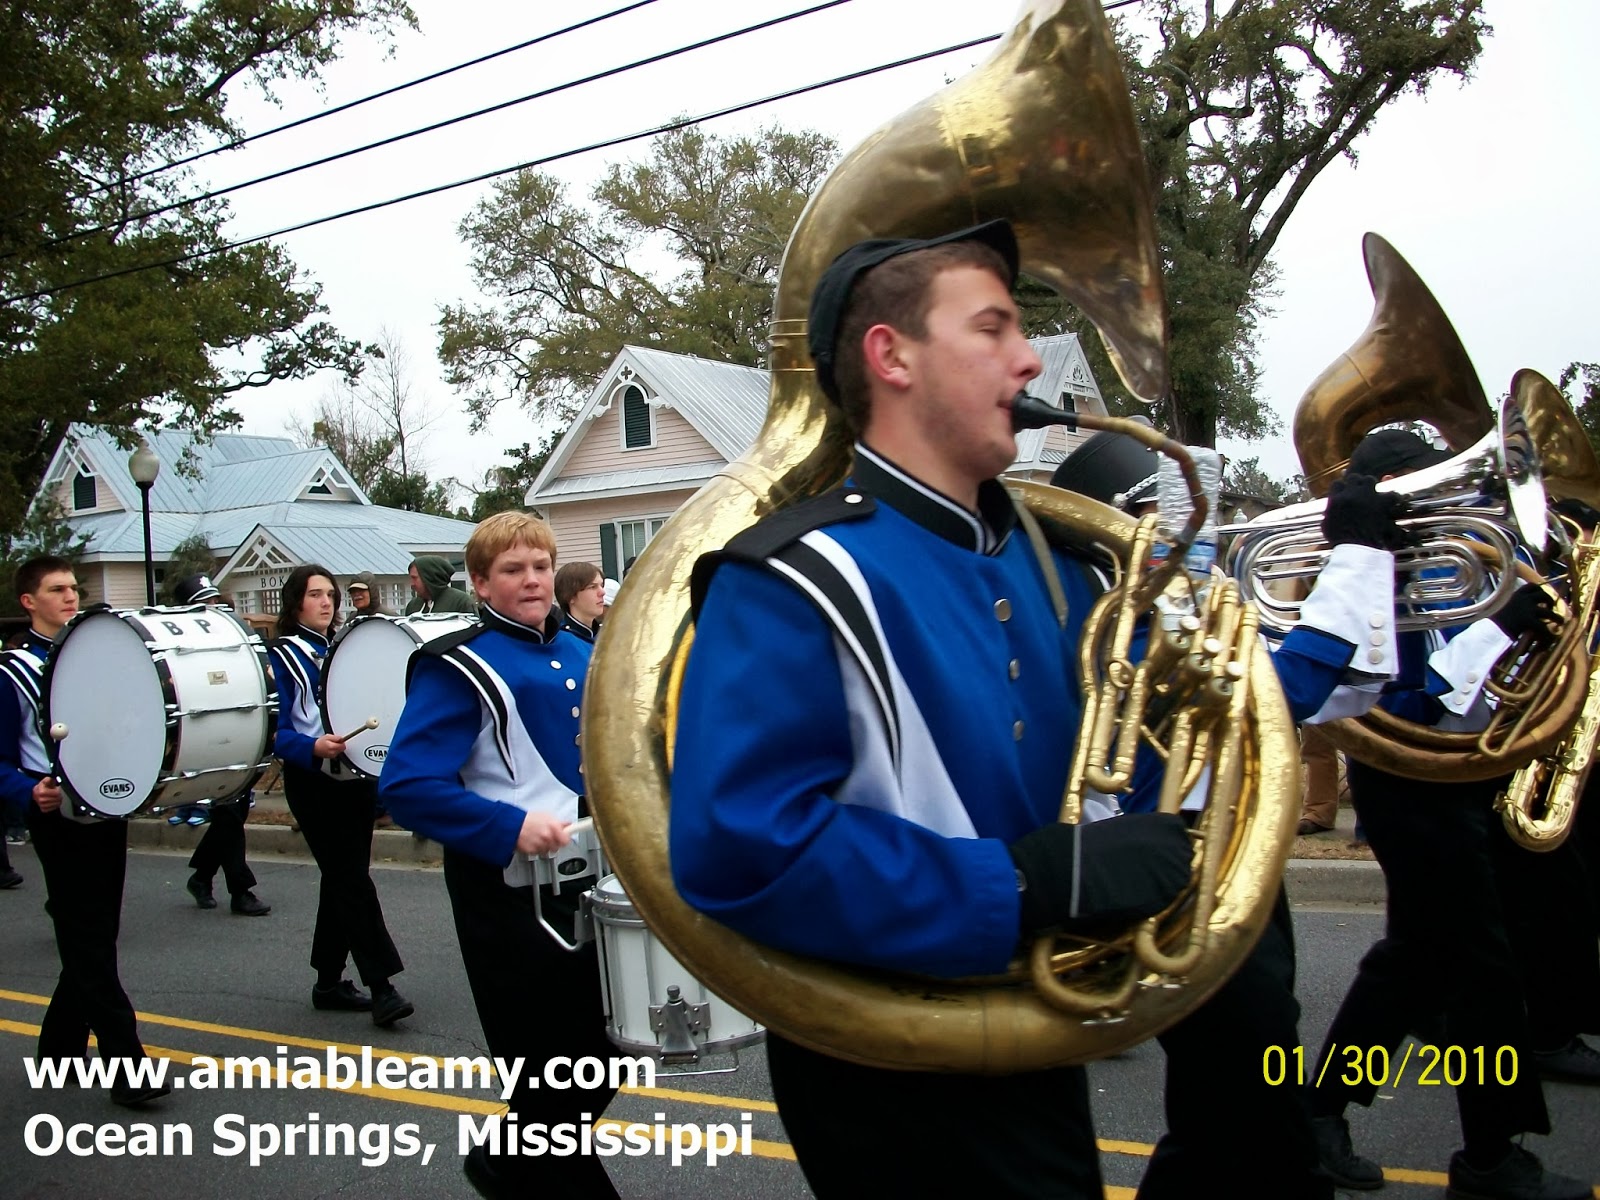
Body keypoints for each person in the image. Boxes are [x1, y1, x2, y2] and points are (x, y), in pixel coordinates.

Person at [670, 221, 1407, 1198]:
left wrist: (1160, 835)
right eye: (993, 328)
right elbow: (738, 847)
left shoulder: (1048, 567)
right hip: (890, 1071)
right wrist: (1022, 884)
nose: (1027, 357)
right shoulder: (798, 575)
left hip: (1025, 1033)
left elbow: (1171, 736)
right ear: (891, 357)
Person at [1308, 428, 1591, 1200]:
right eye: (1428, 482)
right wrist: (1503, 625)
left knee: (1417, 961)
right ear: (1393, 485)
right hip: (1408, 779)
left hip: (1459, 778)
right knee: (1481, 968)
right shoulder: (1365, 569)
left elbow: (1466, 680)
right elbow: (1405, 697)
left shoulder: (1443, 565)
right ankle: (1491, 1157)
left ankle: (1320, 1113)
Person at [380, 512, 616, 1200]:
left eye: (541, 566)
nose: (533, 580)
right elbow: (407, 788)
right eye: (513, 570)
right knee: (551, 1072)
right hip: (509, 897)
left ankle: (504, 1162)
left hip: (589, 884)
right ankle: (516, 1167)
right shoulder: (458, 665)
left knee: (601, 1059)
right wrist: (506, 826)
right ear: (481, 583)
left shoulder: (583, 651)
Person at [0, 556, 170, 1104]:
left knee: (94, 936)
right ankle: (128, 1070)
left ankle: (58, 1051)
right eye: (57, 590)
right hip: (56, 817)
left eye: (73, 588)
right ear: (29, 601)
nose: (71, 597)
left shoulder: (94, 659)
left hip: (105, 808)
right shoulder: (10, 672)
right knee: (91, 942)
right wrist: (27, 790)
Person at [269, 564, 411, 1026]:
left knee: (342, 877)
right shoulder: (280, 657)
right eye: (315, 595)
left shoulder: (342, 648)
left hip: (352, 782)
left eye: (330, 594)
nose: (327, 602)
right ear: (295, 604)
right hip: (313, 781)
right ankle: (382, 985)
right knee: (350, 879)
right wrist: (309, 746)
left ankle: (328, 981)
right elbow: (274, 730)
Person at [169, 574, 270, 917]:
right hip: (207, 745)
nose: (212, 609)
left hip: (237, 737)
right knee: (228, 815)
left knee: (234, 815)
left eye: (213, 601)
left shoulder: (229, 641)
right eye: (203, 604)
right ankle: (241, 891)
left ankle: (201, 876)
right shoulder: (184, 654)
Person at [404, 555, 476, 615]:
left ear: (429, 577)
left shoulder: (461, 602)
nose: (412, 584)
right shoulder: (413, 606)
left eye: (415, 578)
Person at [554, 560, 606, 643]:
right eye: (592, 587)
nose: (603, 592)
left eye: (602, 585)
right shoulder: (559, 640)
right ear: (570, 596)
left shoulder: (606, 635)